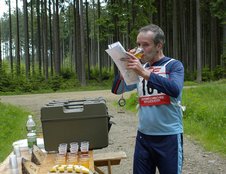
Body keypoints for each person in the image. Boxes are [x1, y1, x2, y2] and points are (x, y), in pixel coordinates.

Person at [111, 24, 184, 174]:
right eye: (138, 44)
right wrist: (123, 68)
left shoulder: (173, 65)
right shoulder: (139, 67)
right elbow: (116, 90)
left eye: (146, 45)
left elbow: (174, 89)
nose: (140, 49)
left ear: (159, 45)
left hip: (168, 136)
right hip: (144, 137)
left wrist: (144, 73)